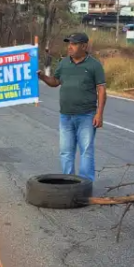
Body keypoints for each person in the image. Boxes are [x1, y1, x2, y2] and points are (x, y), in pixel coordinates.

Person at [37, 32, 106, 182]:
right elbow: (55, 81)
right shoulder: (64, 63)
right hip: (66, 116)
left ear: (84, 46)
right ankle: (69, 184)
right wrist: (42, 76)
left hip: (86, 115)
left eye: (74, 44)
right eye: (69, 44)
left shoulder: (94, 65)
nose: (70, 47)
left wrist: (99, 114)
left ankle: (85, 184)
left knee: (86, 151)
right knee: (66, 152)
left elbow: (101, 89)